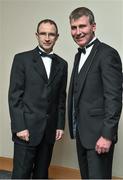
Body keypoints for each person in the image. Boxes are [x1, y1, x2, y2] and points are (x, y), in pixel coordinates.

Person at [8, 19, 68, 179]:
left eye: (51, 34)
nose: (47, 38)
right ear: (37, 35)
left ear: (57, 37)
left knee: (42, 175)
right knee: (21, 174)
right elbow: (14, 96)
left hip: (49, 131)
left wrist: (60, 125)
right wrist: (19, 127)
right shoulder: (22, 59)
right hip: (25, 130)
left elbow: (61, 98)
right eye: (43, 33)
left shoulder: (63, 64)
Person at [68, 7, 122, 179]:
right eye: (74, 27)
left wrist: (107, 135)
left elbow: (114, 98)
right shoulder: (78, 55)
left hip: (100, 137)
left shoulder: (108, 54)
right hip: (82, 134)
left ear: (93, 26)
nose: (78, 32)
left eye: (82, 26)